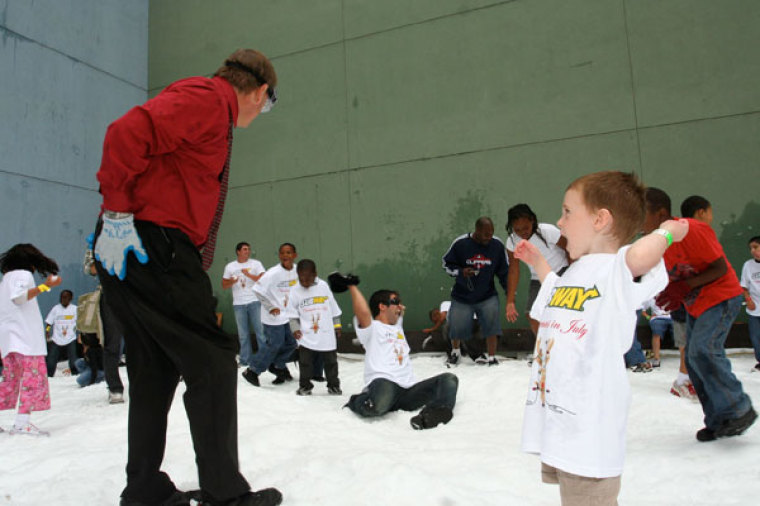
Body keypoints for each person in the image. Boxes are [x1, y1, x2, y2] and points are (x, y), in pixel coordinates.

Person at [93, 49, 282, 506]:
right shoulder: (209, 98)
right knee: (215, 360)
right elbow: (125, 132)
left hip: (136, 245)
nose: (263, 112)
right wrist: (117, 214)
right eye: (269, 104)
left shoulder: (208, 108)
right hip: (152, 243)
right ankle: (224, 493)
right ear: (259, 92)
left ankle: (144, 490)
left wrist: (117, 220)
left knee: (153, 367)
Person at [516, 171, 687, 505]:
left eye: (567, 212)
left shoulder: (615, 270)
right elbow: (554, 293)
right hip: (563, 425)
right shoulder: (577, 271)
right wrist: (537, 262)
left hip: (589, 435)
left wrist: (667, 232)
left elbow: (639, 257)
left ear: (600, 219)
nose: (559, 222)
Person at [644, 187, 756, 442]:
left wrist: (683, 287)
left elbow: (718, 268)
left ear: (661, 214)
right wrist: (671, 291)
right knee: (693, 361)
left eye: (642, 215)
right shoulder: (656, 245)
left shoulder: (691, 229)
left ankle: (739, 408)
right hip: (696, 305)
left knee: (704, 350)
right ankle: (718, 421)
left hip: (721, 296)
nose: (638, 222)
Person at [337, 275, 459, 430]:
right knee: (380, 402)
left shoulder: (397, 328)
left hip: (408, 390)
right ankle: (358, 401)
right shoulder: (372, 329)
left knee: (449, 379)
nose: (400, 307)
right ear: (382, 306)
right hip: (384, 382)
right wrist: (351, 286)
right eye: (395, 302)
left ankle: (432, 415)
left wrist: (398, 308)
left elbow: (399, 314)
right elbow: (364, 313)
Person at [0, 244, 62, 436]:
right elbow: (18, 298)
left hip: (9, 340)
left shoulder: (5, 280)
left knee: (10, 381)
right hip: (26, 341)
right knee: (32, 381)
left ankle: (20, 422)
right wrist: (45, 286)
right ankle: (21, 423)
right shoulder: (22, 276)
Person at [442, 216, 508, 366]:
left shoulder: (497, 245)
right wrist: (461, 272)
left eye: (491, 233)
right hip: (462, 294)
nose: (489, 237)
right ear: (477, 231)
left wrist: (508, 291)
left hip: (487, 294)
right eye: (486, 234)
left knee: (492, 326)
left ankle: (491, 357)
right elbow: (447, 264)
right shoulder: (461, 244)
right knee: (456, 325)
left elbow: (504, 270)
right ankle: (455, 353)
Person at [504, 204, 568, 339]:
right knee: (532, 314)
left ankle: (563, 346)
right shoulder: (512, 242)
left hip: (561, 272)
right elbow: (514, 270)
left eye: (526, 228)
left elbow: (569, 249)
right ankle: (544, 349)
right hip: (538, 278)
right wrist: (510, 301)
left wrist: (574, 274)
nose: (522, 232)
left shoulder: (547, 231)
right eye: (517, 229)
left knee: (562, 312)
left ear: (532, 220)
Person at [244, 243, 299, 387]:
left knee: (291, 343)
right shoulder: (273, 273)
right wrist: (270, 307)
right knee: (274, 344)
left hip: (289, 315)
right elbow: (257, 289)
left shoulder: (298, 270)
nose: (285, 255)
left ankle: (277, 364)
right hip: (273, 317)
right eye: (282, 253)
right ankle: (252, 371)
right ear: (279, 255)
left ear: (295, 255)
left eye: (288, 253)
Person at [286, 259, 343, 396]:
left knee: (330, 362)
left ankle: (333, 385)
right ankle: (305, 386)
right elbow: (291, 313)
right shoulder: (294, 290)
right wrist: (295, 329)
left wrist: (337, 325)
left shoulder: (323, 286)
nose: (305, 282)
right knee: (305, 362)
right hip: (306, 333)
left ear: (315, 274)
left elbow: (333, 308)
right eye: (301, 278)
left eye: (308, 278)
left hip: (326, 332)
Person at [222, 242, 266, 369]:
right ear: (238, 251)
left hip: (254, 302)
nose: (248, 251)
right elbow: (224, 285)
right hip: (239, 304)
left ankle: (264, 358)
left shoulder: (256, 264)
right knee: (243, 334)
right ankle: (245, 359)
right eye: (245, 249)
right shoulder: (230, 266)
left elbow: (263, 279)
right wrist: (233, 281)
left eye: (249, 249)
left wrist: (248, 275)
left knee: (261, 332)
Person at [45, 289, 79, 377]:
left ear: (70, 298)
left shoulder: (75, 309)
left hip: (71, 338)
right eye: (62, 297)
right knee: (51, 361)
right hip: (57, 339)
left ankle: (75, 375)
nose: (63, 299)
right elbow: (49, 322)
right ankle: (49, 376)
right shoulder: (56, 309)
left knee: (73, 361)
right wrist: (47, 330)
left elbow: (80, 322)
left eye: (65, 297)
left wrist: (81, 334)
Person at [740, 236, 760, 372]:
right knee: (755, 337)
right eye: (751, 248)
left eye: (756, 247)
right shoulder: (748, 265)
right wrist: (748, 300)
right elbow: (744, 286)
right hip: (755, 308)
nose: (753, 251)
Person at [641, 297, 672, 368]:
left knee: (681, 332)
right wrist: (649, 317)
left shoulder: (671, 294)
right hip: (657, 318)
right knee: (656, 333)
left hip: (671, 317)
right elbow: (642, 310)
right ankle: (656, 359)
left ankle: (685, 359)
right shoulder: (651, 297)